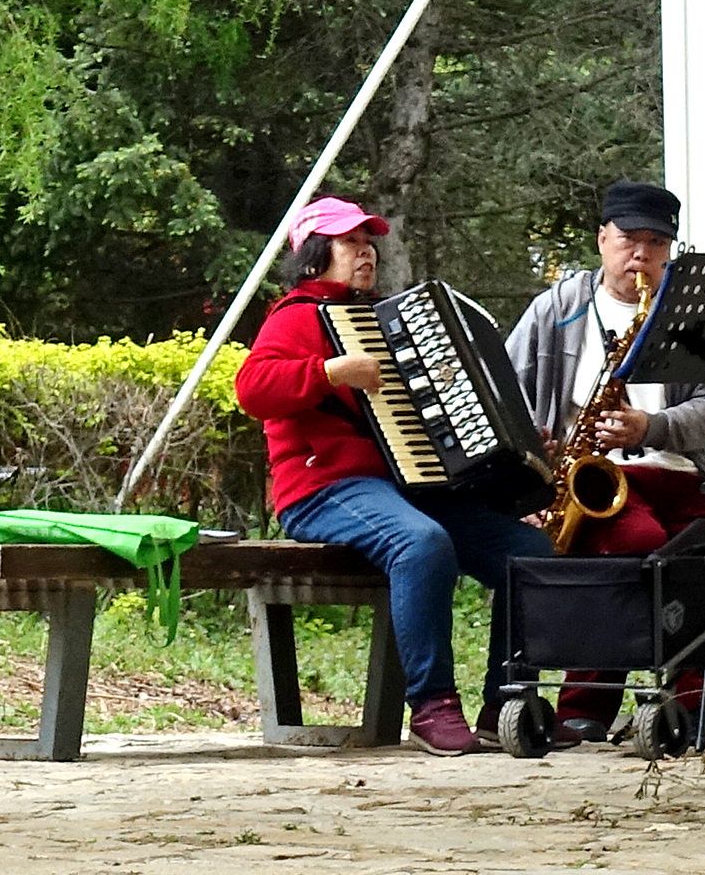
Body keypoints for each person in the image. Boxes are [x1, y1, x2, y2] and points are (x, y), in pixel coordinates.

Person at [234, 196, 580, 756]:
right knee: (420, 542)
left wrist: (509, 442)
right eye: (350, 242)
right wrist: (329, 371)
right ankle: (432, 705)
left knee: (530, 553)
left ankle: (508, 705)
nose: (365, 252)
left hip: (408, 487)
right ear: (316, 253)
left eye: (368, 242)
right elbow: (252, 389)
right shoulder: (295, 316)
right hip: (324, 489)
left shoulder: (386, 320)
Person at [505, 179, 705, 742]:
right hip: (591, 475)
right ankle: (585, 703)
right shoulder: (557, 309)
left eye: (655, 243)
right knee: (633, 541)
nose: (639, 255)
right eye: (627, 240)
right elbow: (505, 393)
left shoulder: (696, 316)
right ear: (601, 239)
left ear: (671, 249)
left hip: (680, 471)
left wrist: (651, 427)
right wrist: (532, 463)